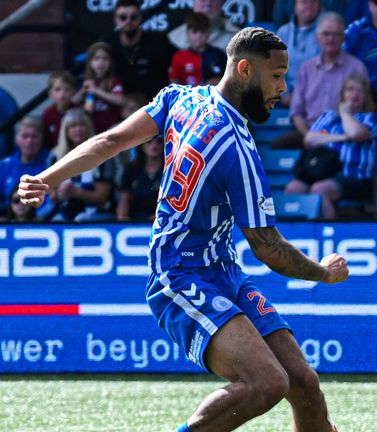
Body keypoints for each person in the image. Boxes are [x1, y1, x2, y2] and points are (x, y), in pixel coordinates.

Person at [19, 27, 345, 432]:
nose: (284, 87)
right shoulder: (239, 152)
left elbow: (111, 140)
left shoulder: (180, 98)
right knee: (268, 382)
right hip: (180, 275)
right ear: (245, 70)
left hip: (222, 270)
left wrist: (46, 177)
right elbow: (268, 248)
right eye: (277, 75)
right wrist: (322, 273)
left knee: (303, 383)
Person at [284, 75, 377, 219]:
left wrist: (346, 114)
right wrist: (343, 137)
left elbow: (356, 133)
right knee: (293, 188)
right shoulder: (328, 116)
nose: (355, 94)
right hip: (321, 172)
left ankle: (326, 234)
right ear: (343, 95)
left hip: (354, 177)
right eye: (350, 90)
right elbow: (309, 139)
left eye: (360, 91)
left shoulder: (369, 117)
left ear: (366, 96)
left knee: (320, 189)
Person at [276, 12, 368, 149]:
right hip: (309, 133)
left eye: (336, 34)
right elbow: (296, 112)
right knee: (276, 147)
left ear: (343, 37)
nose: (331, 38)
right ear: (317, 38)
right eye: (326, 34)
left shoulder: (357, 68)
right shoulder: (306, 69)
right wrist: (310, 136)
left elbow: (365, 109)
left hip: (344, 134)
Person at [48, 109, 116, 222]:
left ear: (89, 128)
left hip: (99, 213)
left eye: (82, 125)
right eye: (73, 126)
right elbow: (52, 194)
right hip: (65, 212)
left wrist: (75, 192)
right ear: (65, 131)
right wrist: (58, 194)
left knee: (82, 220)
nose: (78, 130)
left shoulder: (103, 154)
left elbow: (102, 196)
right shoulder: (55, 156)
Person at [104, 0, 176, 99]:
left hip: (155, 105)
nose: (128, 21)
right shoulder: (108, 44)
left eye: (133, 17)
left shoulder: (158, 42)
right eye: (123, 17)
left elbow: (179, 62)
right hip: (119, 106)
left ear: (140, 18)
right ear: (115, 20)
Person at [276, 0, 322, 107]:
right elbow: (274, 70)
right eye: (304, 2)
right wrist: (284, 95)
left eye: (313, 1)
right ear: (295, 6)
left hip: (318, 98)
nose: (309, 5)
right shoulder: (283, 32)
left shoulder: (326, 31)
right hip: (286, 98)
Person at [0, 117, 49, 217]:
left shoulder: (50, 165)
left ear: (42, 139)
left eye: (34, 136)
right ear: (16, 139)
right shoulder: (3, 166)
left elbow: (51, 201)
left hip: (42, 222)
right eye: (25, 136)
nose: (29, 141)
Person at [72, 42, 125, 134]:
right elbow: (74, 102)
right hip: (91, 129)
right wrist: (82, 91)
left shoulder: (114, 81)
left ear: (111, 62)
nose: (101, 62)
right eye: (96, 59)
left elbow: (120, 100)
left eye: (105, 59)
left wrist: (96, 90)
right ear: (90, 62)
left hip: (111, 129)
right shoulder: (87, 81)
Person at [168, 12, 227, 86]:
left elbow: (228, 79)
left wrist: (215, 81)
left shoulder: (219, 55)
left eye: (202, 32)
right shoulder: (179, 57)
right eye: (195, 32)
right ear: (188, 34)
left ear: (208, 33)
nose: (199, 36)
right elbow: (173, 81)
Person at [116, 136, 163, 221]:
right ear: (142, 145)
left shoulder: (170, 170)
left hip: (161, 218)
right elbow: (124, 197)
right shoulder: (131, 169)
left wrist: (159, 216)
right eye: (149, 142)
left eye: (159, 142)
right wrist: (122, 217)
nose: (154, 145)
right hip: (134, 217)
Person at [168, 0, 240, 52]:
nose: (208, 3)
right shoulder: (174, 37)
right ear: (193, 3)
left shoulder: (240, 39)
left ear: (222, 3)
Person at [41, 70, 76, 150]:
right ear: (50, 94)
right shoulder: (48, 114)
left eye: (67, 89)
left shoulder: (78, 112)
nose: (62, 93)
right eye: (58, 89)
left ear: (73, 92)